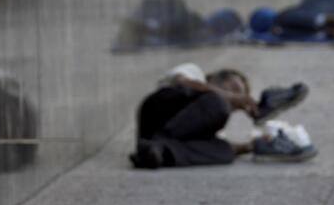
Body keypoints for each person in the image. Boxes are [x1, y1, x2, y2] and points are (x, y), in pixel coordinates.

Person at [130, 63, 316, 169]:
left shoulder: (209, 118)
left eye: (239, 95)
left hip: (154, 140)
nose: (236, 97)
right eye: (234, 86)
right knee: (216, 103)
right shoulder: (194, 72)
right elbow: (183, 82)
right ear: (214, 78)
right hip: (157, 112)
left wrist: (251, 146)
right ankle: (159, 145)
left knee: (224, 150)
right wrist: (229, 97)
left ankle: (156, 152)